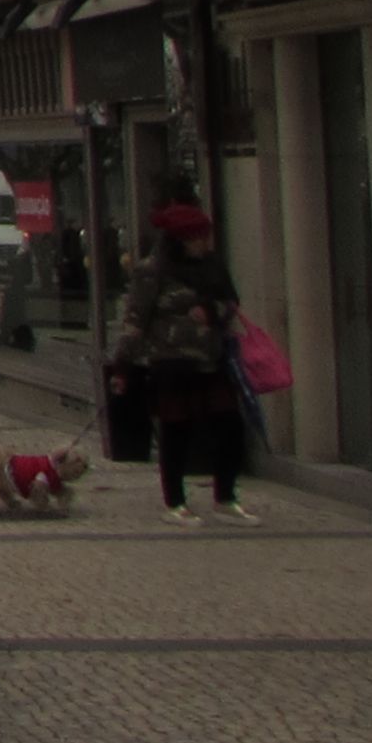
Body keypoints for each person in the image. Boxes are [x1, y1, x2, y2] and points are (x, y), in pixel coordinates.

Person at [111, 203, 256, 523]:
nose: (205, 242)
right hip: (171, 362)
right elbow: (136, 319)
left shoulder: (213, 265)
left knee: (229, 426)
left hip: (211, 360)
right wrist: (123, 366)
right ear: (181, 239)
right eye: (198, 236)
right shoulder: (153, 270)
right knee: (177, 431)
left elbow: (231, 302)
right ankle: (175, 501)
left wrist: (211, 311)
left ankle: (226, 496)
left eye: (206, 235)